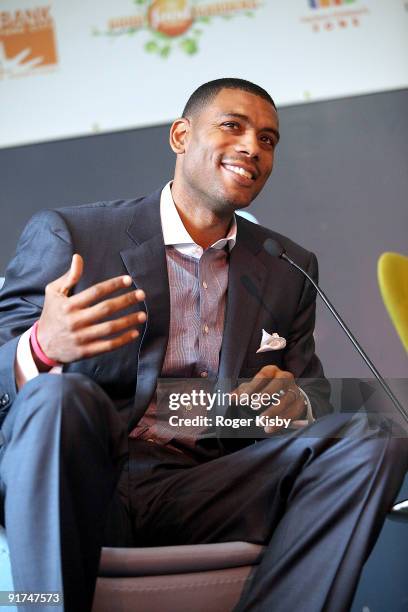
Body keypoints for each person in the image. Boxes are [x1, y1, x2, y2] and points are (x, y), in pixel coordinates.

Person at [0, 78, 406, 612]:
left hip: (207, 484)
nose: (251, 148)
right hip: (86, 478)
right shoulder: (74, 235)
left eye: (267, 140)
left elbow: (312, 394)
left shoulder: (288, 265)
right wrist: (42, 346)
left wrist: (294, 404)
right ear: (180, 136)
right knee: (59, 400)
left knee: (374, 437)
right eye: (233, 127)